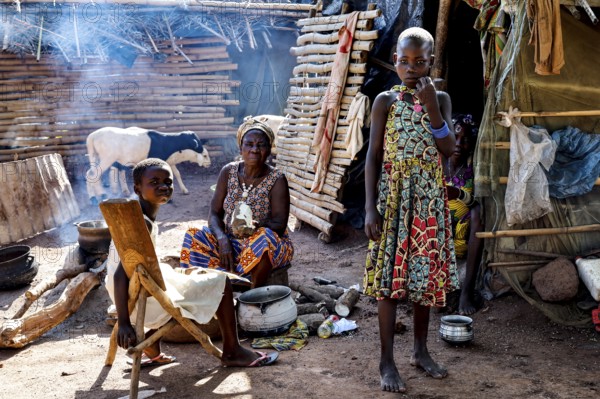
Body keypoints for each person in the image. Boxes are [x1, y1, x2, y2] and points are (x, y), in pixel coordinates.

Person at [105, 158, 278, 368]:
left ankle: (151, 343)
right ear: (137, 188)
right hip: (135, 298)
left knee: (182, 274)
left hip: (129, 291)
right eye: (155, 182)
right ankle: (233, 351)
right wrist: (123, 322)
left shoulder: (137, 216)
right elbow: (120, 275)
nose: (163, 186)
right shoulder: (142, 224)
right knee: (222, 282)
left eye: (168, 182)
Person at [363, 27, 459, 393]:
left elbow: (449, 148)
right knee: (389, 281)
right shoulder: (384, 101)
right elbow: (373, 156)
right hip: (392, 200)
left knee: (424, 279)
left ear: (431, 62)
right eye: (403, 61)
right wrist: (369, 208)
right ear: (395, 62)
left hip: (428, 201)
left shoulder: (442, 99)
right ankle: (387, 361)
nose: (411, 68)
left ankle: (420, 351)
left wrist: (433, 107)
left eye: (419, 62)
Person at [180, 118, 293, 288]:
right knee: (193, 235)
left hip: (265, 245)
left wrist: (253, 227)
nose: (254, 150)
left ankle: (249, 290)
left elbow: (279, 223)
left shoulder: (277, 179)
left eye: (261, 145)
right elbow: (214, 212)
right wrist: (222, 238)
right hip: (230, 243)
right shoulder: (228, 172)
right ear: (241, 148)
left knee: (264, 238)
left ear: (269, 150)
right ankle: (222, 282)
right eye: (249, 144)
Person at [445, 114, 484, 316]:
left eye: (466, 140)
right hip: (437, 236)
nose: (459, 144)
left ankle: (466, 291)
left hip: (461, 237)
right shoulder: (435, 162)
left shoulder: (472, 169)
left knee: (477, 214)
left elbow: (477, 203)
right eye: (456, 137)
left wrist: (459, 194)